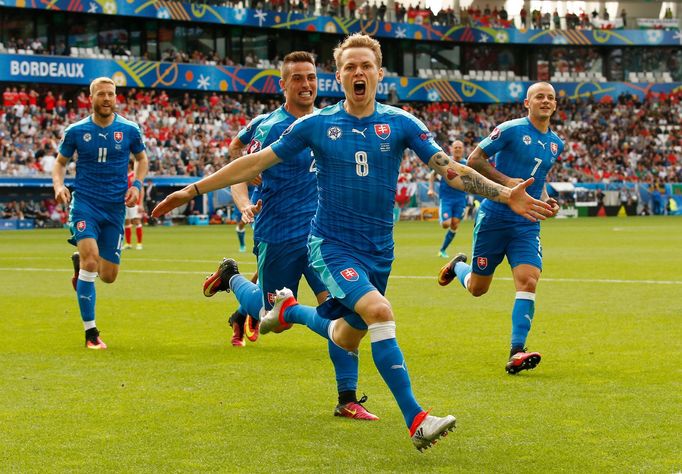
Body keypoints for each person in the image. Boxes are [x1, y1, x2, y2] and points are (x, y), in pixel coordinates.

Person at [152, 34, 551, 451]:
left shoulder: (402, 123)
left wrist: (506, 195)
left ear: (379, 73)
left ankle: (289, 309)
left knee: (346, 335)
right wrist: (193, 190)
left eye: (365, 66)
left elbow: (450, 169)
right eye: (349, 67)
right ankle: (416, 418)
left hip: (378, 250)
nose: (358, 73)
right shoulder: (315, 125)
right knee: (379, 310)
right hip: (329, 244)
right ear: (339, 75)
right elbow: (255, 161)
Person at [203, 51, 378, 420]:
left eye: (312, 77)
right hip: (278, 233)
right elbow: (237, 159)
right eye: (297, 78)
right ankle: (232, 278)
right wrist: (244, 197)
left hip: (323, 238)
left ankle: (346, 398)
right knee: (273, 319)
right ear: (283, 84)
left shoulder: (331, 121)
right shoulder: (269, 127)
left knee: (343, 309)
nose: (306, 84)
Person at [438, 82, 563, 375]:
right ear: (526, 103)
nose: (545, 101)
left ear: (555, 105)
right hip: (494, 216)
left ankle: (517, 351)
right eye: (539, 97)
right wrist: (508, 185)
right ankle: (458, 267)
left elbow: (537, 183)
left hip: (526, 223)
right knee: (478, 289)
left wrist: (546, 202)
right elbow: (474, 160)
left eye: (550, 98)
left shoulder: (557, 143)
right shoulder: (510, 129)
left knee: (528, 280)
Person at [52, 77, 148, 350]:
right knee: (91, 263)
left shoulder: (129, 129)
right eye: (101, 94)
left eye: (111, 94)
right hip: (85, 204)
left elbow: (142, 159)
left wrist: (137, 186)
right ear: (90, 98)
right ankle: (91, 333)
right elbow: (60, 164)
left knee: (108, 275)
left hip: (115, 208)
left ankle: (79, 265)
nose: (107, 98)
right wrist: (59, 185)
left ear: (116, 97)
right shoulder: (75, 131)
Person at [427, 140, 468, 258]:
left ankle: (442, 250)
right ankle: (443, 217)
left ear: (463, 149)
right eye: (456, 147)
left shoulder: (466, 163)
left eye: (460, 147)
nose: (458, 149)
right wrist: (430, 188)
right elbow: (432, 174)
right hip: (446, 198)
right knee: (446, 224)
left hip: (460, 198)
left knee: (455, 225)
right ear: (451, 149)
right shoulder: (445, 161)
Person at [123, 160, 145, 250]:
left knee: (136, 221)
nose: (127, 165)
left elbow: (141, 189)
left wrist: (141, 204)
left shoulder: (134, 175)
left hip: (134, 201)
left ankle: (139, 243)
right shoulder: (123, 175)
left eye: (129, 163)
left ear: (131, 165)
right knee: (127, 222)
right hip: (124, 201)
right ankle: (128, 243)